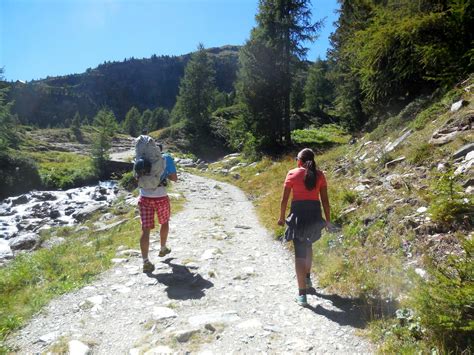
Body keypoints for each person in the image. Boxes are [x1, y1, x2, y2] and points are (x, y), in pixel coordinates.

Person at [277, 148, 331, 306]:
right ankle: (307, 279)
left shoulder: (292, 174)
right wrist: (327, 221)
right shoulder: (320, 175)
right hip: (314, 214)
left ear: (299, 161)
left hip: (299, 215)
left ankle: (302, 295)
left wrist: (281, 218)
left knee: (299, 253)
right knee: (308, 245)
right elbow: (325, 202)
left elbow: (284, 200)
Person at [137, 141, 178, 273]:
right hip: (161, 197)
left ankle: (145, 261)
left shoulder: (140, 158)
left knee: (145, 228)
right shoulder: (166, 158)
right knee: (164, 222)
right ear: (159, 150)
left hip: (144, 197)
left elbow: (136, 177)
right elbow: (174, 178)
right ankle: (162, 248)